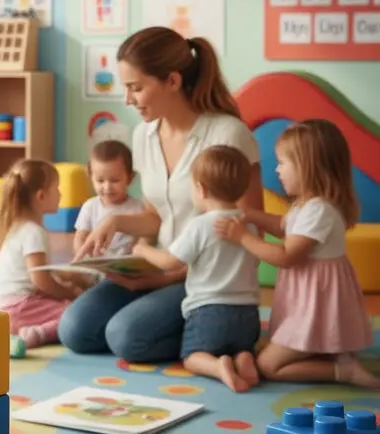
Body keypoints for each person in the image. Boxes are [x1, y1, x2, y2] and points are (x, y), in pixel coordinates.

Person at [60, 27, 262, 364]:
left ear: (172, 81)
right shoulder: (144, 135)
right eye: (126, 88)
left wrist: (166, 276)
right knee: (75, 329)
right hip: (157, 267)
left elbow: (250, 231)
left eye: (136, 88)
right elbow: (156, 217)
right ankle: (194, 333)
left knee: (125, 336)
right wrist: (115, 222)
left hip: (205, 279)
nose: (128, 99)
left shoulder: (228, 135)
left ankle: (216, 336)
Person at [216, 119, 377, 388]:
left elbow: (287, 257)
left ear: (308, 166)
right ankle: (329, 353)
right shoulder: (306, 205)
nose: (277, 169)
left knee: (268, 365)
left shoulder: (319, 210)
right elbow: (283, 226)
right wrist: (250, 214)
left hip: (315, 301)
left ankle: (342, 371)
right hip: (309, 296)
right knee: (267, 349)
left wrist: (243, 237)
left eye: (282, 162)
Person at [132, 146, 261, 392]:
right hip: (248, 314)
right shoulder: (248, 227)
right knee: (239, 345)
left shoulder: (200, 225)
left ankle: (218, 367)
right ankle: (243, 356)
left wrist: (143, 250)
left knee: (191, 357)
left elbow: (171, 262)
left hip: (209, 312)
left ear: (201, 189)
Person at [0, 159, 85, 355]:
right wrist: (69, 293)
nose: (60, 194)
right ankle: (37, 333)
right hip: (17, 307)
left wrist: (66, 277)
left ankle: (19, 331)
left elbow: (38, 273)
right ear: (41, 196)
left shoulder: (18, 227)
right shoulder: (33, 232)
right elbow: (41, 281)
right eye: (57, 189)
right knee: (75, 313)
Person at [73, 140, 145, 258]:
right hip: (95, 262)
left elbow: (143, 240)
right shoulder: (89, 207)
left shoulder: (138, 208)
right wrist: (84, 257)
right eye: (100, 181)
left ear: (130, 178)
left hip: (126, 264)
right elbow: (80, 237)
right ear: (90, 177)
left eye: (115, 180)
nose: (107, 187)